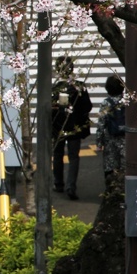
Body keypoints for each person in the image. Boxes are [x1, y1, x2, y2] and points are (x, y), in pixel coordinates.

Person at [51, 56, 93, 200]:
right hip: (75, 125)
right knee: (74, 156)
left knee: (57, 154)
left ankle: (58, 183)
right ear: (72, 69)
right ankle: (71, 186)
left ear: (57, 70)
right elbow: (88, 106)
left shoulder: (54, 88)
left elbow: (49, 109)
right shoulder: (80, 86)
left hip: (58, 126)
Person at [96, 75, 126, 182]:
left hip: (110, 140)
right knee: (124, 167)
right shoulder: (128, 101)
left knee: (110, 167)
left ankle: (111, 193)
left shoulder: (106, 103)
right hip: (126, 138)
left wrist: (99, 143)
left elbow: (101, 123)